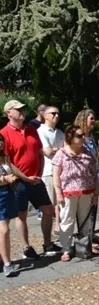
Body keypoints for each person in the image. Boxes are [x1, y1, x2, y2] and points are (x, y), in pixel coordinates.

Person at [1, 100, 59, 259]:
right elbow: (7, 161)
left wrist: (38, 175)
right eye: (18, 110)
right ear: (9, 113)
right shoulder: (4, 133)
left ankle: (47, 243)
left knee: (48, 210)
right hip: (19, 182)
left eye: (23, 109)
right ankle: (26, 247)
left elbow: (39, 152)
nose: (22, 112)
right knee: (22, 215)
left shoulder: (31, 129)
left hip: (36, 178)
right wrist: (25, 178)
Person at [51, 126, 99, 261]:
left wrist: (96, 193)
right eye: (79, 136)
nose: (83, 137)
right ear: (70, 138)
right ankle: (66, 249)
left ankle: (84, 247)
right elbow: (56, 176)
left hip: (87, 192)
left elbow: (94, 174)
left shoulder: (87, 153)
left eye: (83, 135)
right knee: (67, 221)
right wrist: (58, 193)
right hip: (68, 193)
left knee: (86, 222)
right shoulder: (61, 154)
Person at [0, 135, 40, 276]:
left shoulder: (4, 157)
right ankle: (7, 263)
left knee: (3, 228)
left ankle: (2, 259)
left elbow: (12, 168)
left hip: (8, 192)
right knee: (4, 230)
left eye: (1, 141)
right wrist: (4, 178)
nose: (0, 143)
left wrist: (27, 179)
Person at [37, 104, 64, 231]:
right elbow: (47, 151)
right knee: (49, 204)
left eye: (58, 113)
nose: (56, 116)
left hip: (62, 170)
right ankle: (49, 233)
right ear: (45, 116)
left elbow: (67, 150)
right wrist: (60, 149)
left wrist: (55, 150)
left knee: (60, 201)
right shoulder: (40, 131)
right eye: (53, 113)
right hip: (48, 171)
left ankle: (58, 226)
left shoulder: (60, 133)